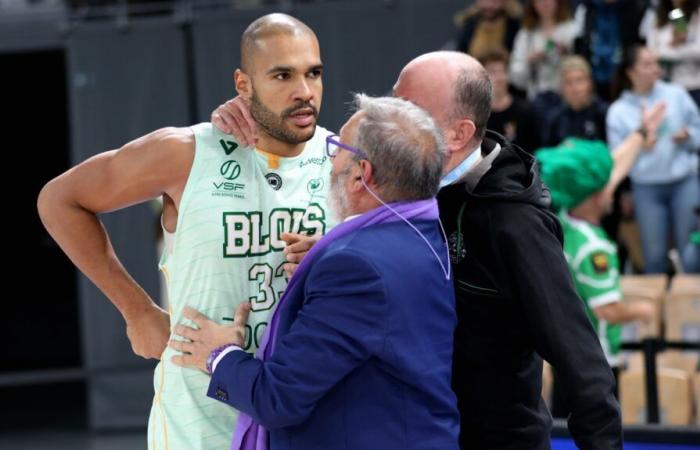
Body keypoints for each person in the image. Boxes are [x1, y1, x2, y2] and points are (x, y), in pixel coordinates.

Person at [213, 50, 622, 450]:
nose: (392, 116)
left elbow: (580, 361)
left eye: (410, 107)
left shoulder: (514, 223)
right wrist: (243, 113)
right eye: (393, 97)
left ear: (459, 134)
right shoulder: (406, 185)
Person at [36, 13, 336, 450]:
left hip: (307, 416)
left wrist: (330, 257)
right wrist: (136, 310)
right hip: (200, 422)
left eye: (313, 73)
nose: (304, 91)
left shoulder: (345, 162)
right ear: (243, 84)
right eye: (282, 75)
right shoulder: (187, 152)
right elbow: (59, 200)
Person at [170, 94, 459, 450]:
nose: (330, 159)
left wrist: (220, 355)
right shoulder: (424, 233)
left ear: (361, 175)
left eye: (336, 148)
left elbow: (277, 400)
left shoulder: (356, 267)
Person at [537, 136, 662, 415]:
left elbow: (611, 171)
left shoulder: (563, 222)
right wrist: (643, 310)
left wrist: (640, 135)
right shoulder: (595, 249)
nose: (613, 193)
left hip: (567, 357)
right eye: (608, 189)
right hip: (597, 363)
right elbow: (608, 310)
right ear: (595, 196)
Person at [607, 44, 700, 273]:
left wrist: (688, 136)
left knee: (691, 255)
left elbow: (698, 130)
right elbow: (616, 159)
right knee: (654, 257)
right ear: (631, 72)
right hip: (647, 188)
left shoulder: (676, 94)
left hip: (684, 182)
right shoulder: (618, 111)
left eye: (656, 62)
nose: (655, 69)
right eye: (647, 64)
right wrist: (640, 145)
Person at [480, 48, 540, 152]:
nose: (500, 77)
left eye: (503, 71)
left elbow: (534, 153)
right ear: (481, 77)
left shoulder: (525, 111)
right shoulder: (477, 115)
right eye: (493, 72)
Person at [645, 0, 700, 107]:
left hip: (693, 85)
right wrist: (672, 46)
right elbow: (651, 51)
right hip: (664, 85)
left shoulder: (695, 15)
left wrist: (669, 51)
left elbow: (697, 50)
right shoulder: (660, 15)